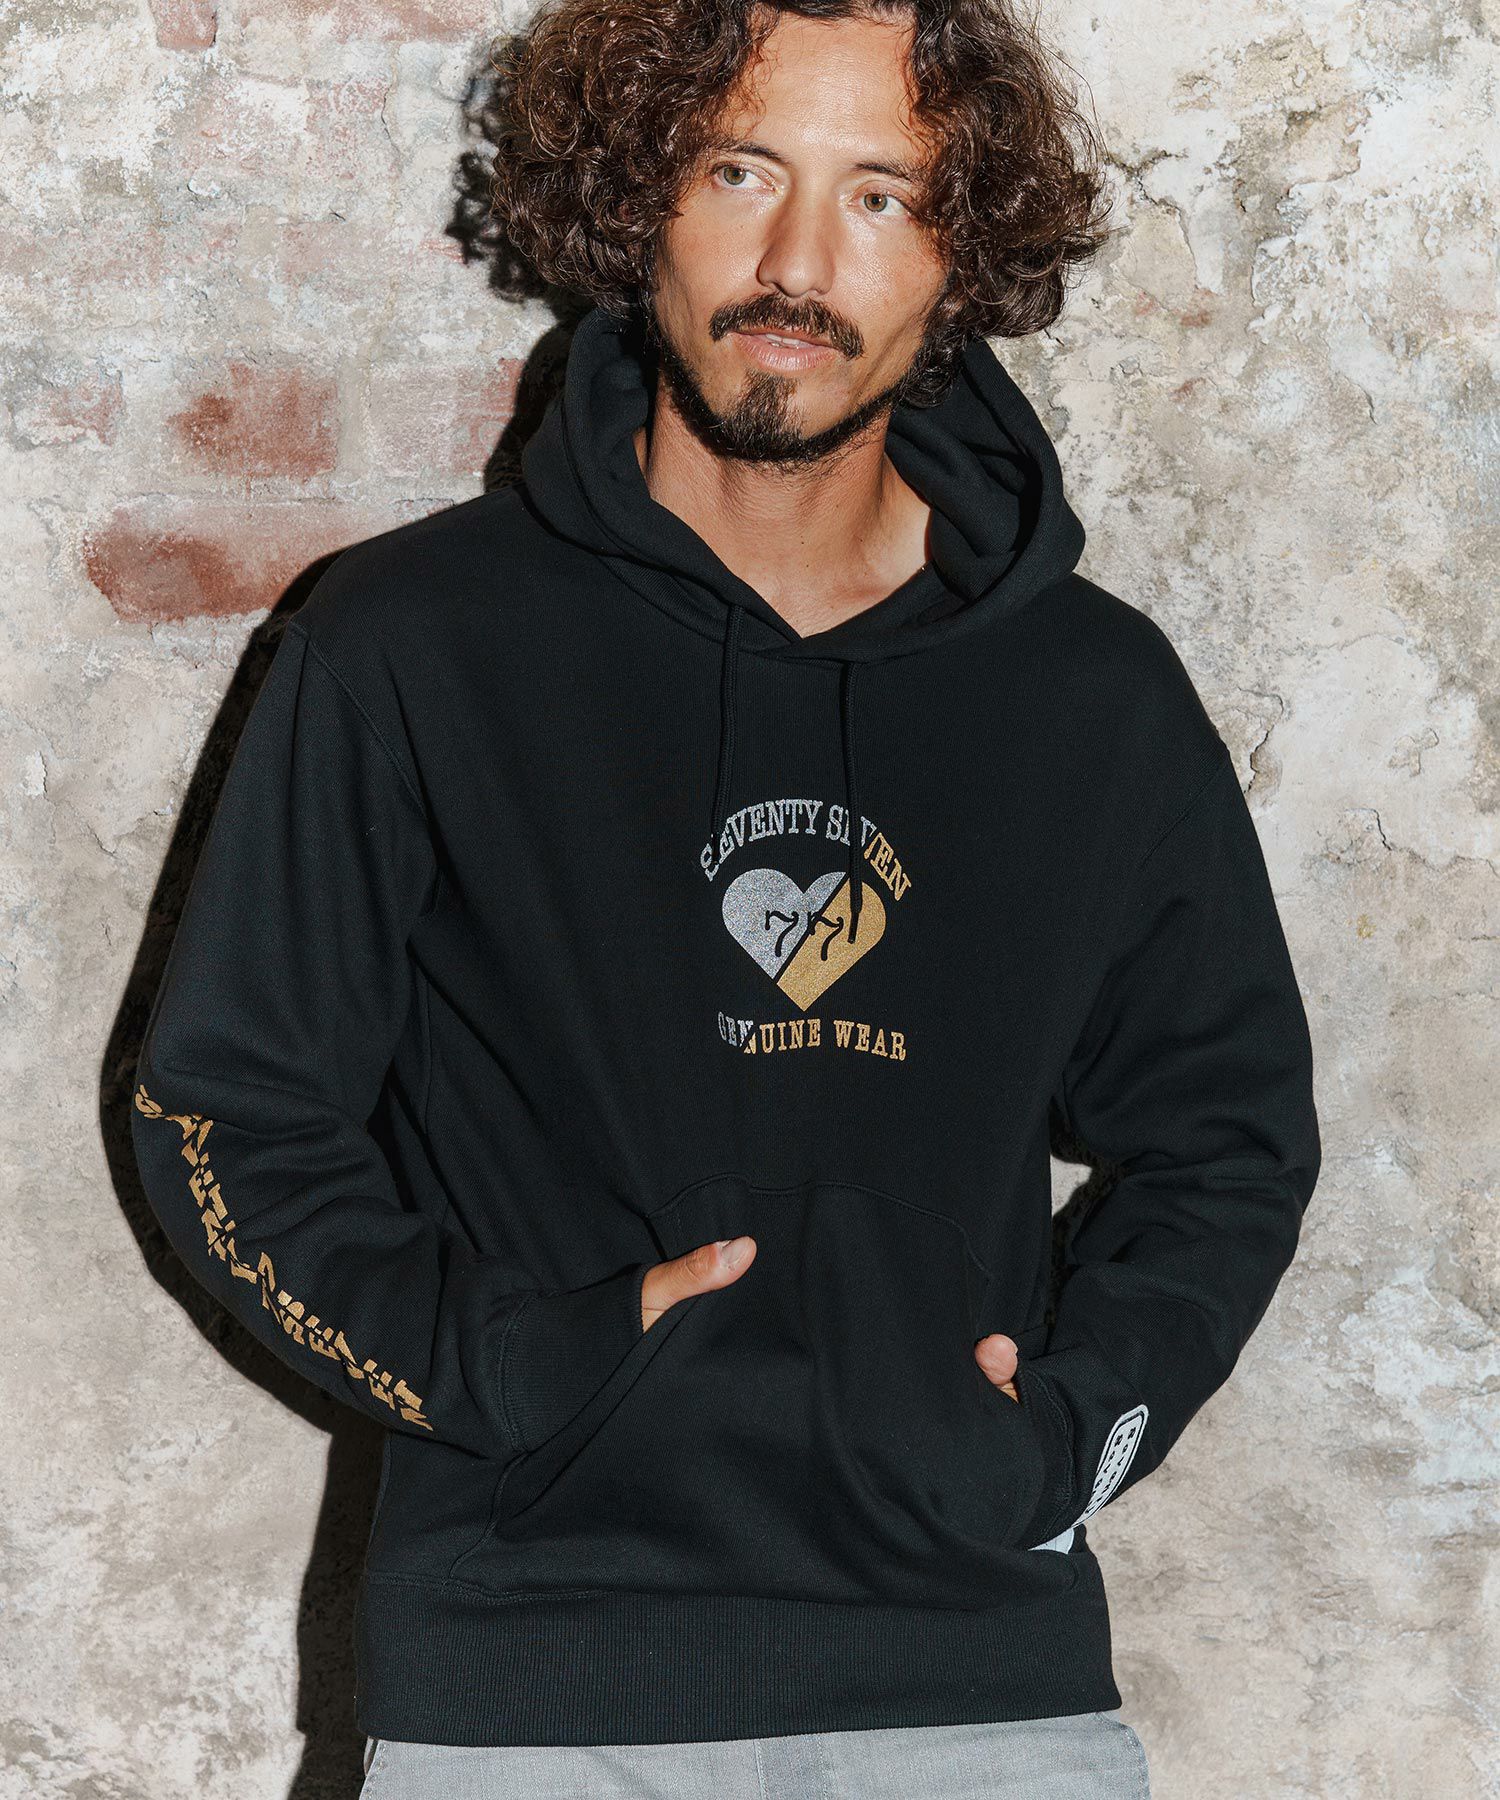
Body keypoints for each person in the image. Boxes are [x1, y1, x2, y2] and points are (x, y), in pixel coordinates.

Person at [130, 0, 1321, 1794]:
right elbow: (226, 1117)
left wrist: (1064, 1441)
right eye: (740, 172)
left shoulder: (1093, 695)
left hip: (979, 1694)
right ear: (641, 200)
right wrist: (512, 1365)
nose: (796, 265)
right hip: (527, 1686)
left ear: (961, 254)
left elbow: (1226, 1141)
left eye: (881, 197)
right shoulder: (411, 646)